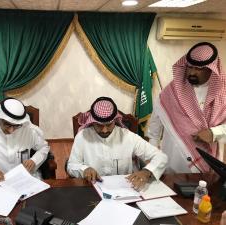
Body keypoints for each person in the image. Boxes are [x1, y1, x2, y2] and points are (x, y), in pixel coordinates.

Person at [147, 42, 226, 173]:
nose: (192, 72)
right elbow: (154, 131)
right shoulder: (172, 91)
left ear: (211, 69)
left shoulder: (222, 92)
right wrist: (151, 161)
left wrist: (214, 133)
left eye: (199, 69)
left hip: (208, 164)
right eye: (190, 67)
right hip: (173, 161)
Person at [67, 97, 167, 190]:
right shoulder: (82, 137)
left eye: (109, 125)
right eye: (99, 125)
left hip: (126, 192)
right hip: (92, 190)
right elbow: (71, 165)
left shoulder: (128, 136)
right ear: (92, 122)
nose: (105, 130)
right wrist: (84, 169)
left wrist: (147, 172)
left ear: (115, 120)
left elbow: (161, 157)